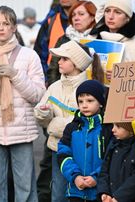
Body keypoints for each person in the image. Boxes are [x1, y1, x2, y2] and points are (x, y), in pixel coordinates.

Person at [0, 6, 46, 202]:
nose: (2, 28)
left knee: (25, 186)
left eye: (6, 23)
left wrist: (16, 75)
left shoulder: (29, 56)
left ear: (14, 27)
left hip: (21, 128)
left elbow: (38, 95)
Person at [34, 40, 104, 202]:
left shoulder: (88, 88)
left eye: (64, 59)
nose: (59, 62)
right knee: (58, 193)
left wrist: (56, 124)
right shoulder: (54, 87)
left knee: (84, 194)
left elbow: (87, 121)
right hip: (58, 150)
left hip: (87, 152)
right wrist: (43, 114)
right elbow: (42, 118)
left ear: (77, 62)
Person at [34, 0, 83, 202]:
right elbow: (41, 50)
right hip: (56, 85)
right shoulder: (51, 19)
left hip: (80, 89)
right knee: (50, 156)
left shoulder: (88, 20)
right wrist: (49, 80)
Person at [57, 79, 112, 202]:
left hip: (101, 191)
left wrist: (96, 177)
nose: (84, 105)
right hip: (76, 191)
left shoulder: (108, 128)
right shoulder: (71, 128)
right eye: (80, 101)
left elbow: (111, 158)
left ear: (101, 103)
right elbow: (63, 154)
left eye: (90, 101)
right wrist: (75, 176)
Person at [34, 0, 82, 78]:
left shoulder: (90, 20)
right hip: (54, 79)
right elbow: (39, 54)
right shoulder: (50, 21)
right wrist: (46, 78)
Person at [47, 0, 97, 86]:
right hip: (66, 88)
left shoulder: (100, 38)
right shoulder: (64, 39)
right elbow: (54, 69)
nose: (76, 18)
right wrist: (56, 90)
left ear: (92, 17)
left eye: (81, 14)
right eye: (73, 15)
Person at [90, 0, 135, 71]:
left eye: (118, 12)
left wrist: (120, 74)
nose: (111, 16)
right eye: (107, 11)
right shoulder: (93, 38)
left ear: (127, 18)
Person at [97, 122, 135, 202]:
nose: (113, 130)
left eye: (118, 126)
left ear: (131, 130)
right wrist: (104, 192)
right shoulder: (113, 145)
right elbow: (104, 171)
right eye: (113, 125)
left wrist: (118, 198)